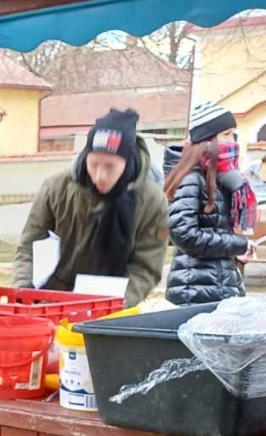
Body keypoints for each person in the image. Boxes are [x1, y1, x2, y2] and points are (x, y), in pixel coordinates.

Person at [13, 108, 169, 308]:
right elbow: (29, 247)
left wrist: (114, 306)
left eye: (110, 166)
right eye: (94, 164)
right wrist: (23, 292)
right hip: (50, 301)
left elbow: (145, 268)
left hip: (110, 305)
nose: (100, 175)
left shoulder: (152, 202)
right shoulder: (57, 188)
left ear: (128, 162)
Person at [164, 102, 255, 306]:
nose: (233, 141)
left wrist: (237, 254)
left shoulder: (220, 178)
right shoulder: (192, 178)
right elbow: (183, 234)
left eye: (233, 134)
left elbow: (215, 231)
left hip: (216, 287)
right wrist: (239, 245)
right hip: (194, 292)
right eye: (227, 134)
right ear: (207, 140)